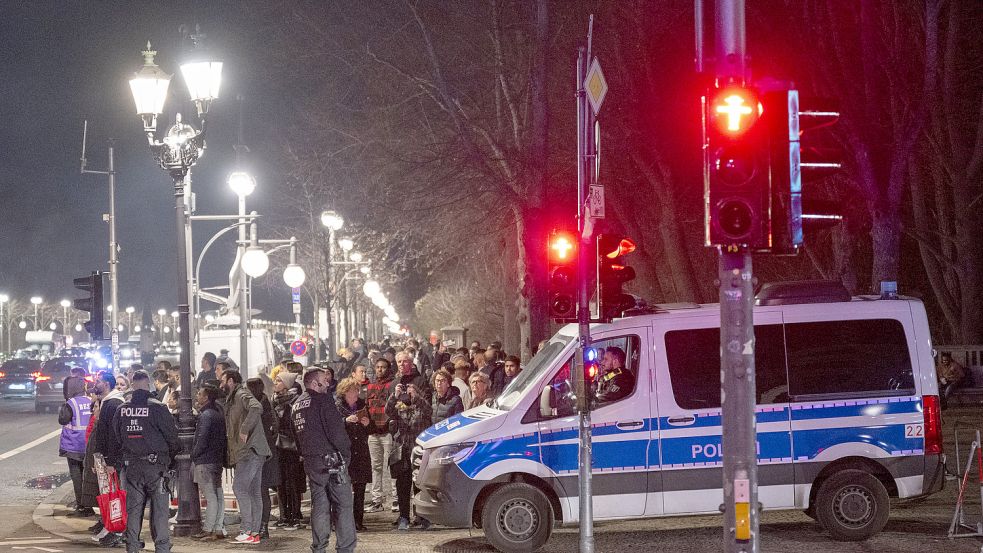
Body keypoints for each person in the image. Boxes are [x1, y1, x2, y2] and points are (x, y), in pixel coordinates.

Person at [113, 370, 180, 553]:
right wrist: (170, 460)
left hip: (132, 466)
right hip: (156, 467)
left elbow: (117, 437)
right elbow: (172, 438)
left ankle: (132, 546)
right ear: (148, 384)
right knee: (159, 511)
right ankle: (162, 547)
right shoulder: (158, 408)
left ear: (132, 385)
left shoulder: (122, 409)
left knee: (134, 510)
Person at [292, 369, 356, 553]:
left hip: (311, 462)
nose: (328, 384)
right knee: (343, 506)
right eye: (324, 381)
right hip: (333, 461)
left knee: (319, 506)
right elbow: (337, 433)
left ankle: (319, 548)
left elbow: (296, 436)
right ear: (314, 384)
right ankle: (345, 548)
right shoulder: (324, 401)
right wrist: (346, 454)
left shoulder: (296, 405)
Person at [221, 370, 270, 544]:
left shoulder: (241, 393)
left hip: (249, 450)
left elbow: (257, 407)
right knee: (254, 492)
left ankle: (247, 529)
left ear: (231, 381)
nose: (221, 384)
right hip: (255, 451)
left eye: (223, 380)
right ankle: (254, 533)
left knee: (240, 488)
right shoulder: (236, 396)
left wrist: (244, 429)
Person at [386, 374, 433, 530]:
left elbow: (429, 411)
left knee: (419, 485)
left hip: (418, 451)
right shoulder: (399, 408)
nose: (407, 392)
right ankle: (404, 517)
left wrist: (416, 397)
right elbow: (388, 411)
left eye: (410, 390)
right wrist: (395, 395)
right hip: (402, 451)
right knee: (402, 486)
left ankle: (422, 517)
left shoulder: (421, 407)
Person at [92, 370, 126, 547]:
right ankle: (111, 525)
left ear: (106, 384)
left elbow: (112, 435)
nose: (94, 384)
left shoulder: (113, 404)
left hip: (112, 459)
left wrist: (110, 460)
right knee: (110, 494)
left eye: (98, 381)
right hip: (107, 458)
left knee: (115, 495)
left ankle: (117, 528)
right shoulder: (107, 402)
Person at [335, 377, 372, 532]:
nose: (356, 393)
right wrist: (345, 421)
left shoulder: (362, 405)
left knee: (360, 488)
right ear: (345, 392)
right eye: (353, 391)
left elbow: (371, 429)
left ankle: (358, 521)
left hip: (360, 452)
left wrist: (368, 424)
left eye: (357, 390)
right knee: (342, 489)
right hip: (345, 452)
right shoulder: (337, 407)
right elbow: (333, 428)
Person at [191, 385, 227, 541]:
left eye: (199, 394)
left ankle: (209, 529)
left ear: (206, 397)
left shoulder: (205, 415)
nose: (197, 396)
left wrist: (194, 454)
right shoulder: (218, 414)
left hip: (205, 460)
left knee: (210, 496)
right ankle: (218, 528)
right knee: (218, 495)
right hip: (217, 459)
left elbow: (202, 438)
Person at [246, 377, 280, 539]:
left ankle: (261, 526)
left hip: (262, 455)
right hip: (264, 453)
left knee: (260, 490)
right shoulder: (265, 405)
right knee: (259, 490)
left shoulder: (258, 408)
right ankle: (260, 525)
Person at [272, 372, 305, 530]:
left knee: (292, 483)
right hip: (279, 447)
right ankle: (283, 515)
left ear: (287, 384)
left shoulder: (295, 402)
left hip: (292, 447)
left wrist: (301, 450)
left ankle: (294, 515)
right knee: (280, 482)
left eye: (279, 381)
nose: (275, 383)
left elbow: (298, 428)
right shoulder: (275, 401)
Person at [59, 375, 93, 516]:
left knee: (77, 477)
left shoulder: (71, 403)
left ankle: (82, 506)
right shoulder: (90, 400)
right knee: (88, 477)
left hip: (73, 445)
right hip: (88, 444)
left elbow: (62, 420)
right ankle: (89, 504)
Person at [365, 357, 395, 514]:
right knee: (375, 467)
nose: (380, 370)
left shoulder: (392, 385)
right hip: (373, 432)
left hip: (388, 432)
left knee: (392, 466)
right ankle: (377, 500)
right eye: (378, 367)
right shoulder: (370, 386)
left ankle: (395, 500)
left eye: (383, 367)